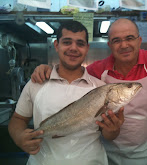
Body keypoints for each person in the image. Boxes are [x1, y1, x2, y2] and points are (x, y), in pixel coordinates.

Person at [31, 18, 147, 165]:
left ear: (139, 40)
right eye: (116, 40)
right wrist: (47, 69)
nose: (124, 45)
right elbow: (70, 76)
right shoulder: (97, 70)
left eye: (129, 38)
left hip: (144, 153)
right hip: (106, 152)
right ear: (110, 45)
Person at [8, 21, 124, 165]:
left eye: (80, 44)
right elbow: (18, 119)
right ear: (56, 45)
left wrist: (113, 130)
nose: (73, 48)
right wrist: (19, 136)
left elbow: (106, 133)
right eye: (67, 42)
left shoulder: (100, 88)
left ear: (87, 48)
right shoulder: (36, 82)